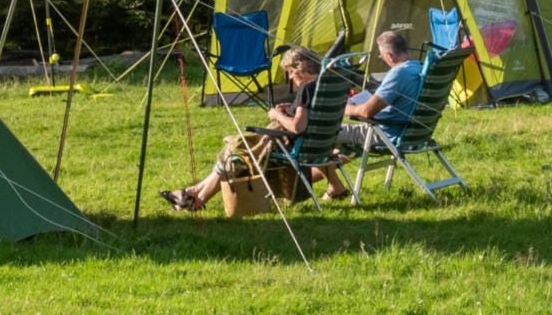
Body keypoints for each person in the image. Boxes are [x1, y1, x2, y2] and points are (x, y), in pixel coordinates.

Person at [159, 46, 349, 210]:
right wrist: (289, 109)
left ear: (302, 67)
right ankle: (193, 194)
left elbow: (298, 127)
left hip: (289, 144)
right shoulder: (329, 86)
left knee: (236, 151)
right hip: (322, 143)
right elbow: (309, 117)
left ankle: (196, 198)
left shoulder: (307, 89)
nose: (290, 78)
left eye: (291, 72)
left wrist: (277, 115)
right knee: (237, 151)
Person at [339, 27, 425, 157]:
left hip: (386, 135)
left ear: (389, 56)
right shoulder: (419, 67)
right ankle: (326, 177)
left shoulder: (399, 73)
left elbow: (366, 112)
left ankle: (305, 176)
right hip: (414, 134)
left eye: (381, 56)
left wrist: (346, 108)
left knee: (319, 134)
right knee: (343, 154)